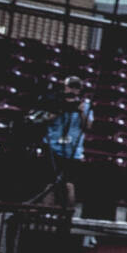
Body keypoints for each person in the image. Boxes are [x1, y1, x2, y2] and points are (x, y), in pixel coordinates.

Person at [38, 74, 93, 213]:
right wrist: (59, 108)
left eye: (76, 88)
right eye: (70, 87)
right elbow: (43, 120)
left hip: (73, 151)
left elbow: (88, 126)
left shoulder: (84, 106)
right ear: (65, 87)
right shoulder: (53, 101)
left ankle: (68, 215)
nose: (73, 91)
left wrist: (80, 111)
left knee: (69, 184)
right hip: (53, 148)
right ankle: (45, 213)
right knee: (50, 183)